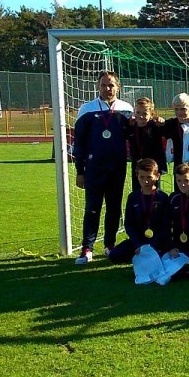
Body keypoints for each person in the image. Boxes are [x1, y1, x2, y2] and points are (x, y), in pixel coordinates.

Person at [72, 71, 135, 264]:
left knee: (114, 208)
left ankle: (109, 245)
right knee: (92, 208)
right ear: (98, 87)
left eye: (111, 85)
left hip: (117, 168)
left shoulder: (127, 109)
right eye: (104, 85)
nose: (108, 89)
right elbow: (79, 143)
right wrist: (80, 171)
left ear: (118, 87)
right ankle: (87, 248)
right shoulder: (87, 109)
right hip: (94, 168)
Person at [106, 158, 171, 265]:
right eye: (142, 177)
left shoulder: (162, 197)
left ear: (157, 176)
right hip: (139, 241)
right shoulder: (133, 197)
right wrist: (138, 244)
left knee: (158, 257)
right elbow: (129, 224)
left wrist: (153, 245)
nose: (146, 181)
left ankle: (149, 255)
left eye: (149, 177)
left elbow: (165, 225)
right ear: (137, 176)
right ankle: (139, 255)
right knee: (114, 255)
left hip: (158, 241)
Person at [126, 97, 167, 190]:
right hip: (137, 167)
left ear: (152, 114)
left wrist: (163, 121)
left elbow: (171, 126)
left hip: (152, 167)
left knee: (154, 193)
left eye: (145, 113)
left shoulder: (156, 126)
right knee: (137, 193)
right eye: (138, 112)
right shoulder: (131, 127)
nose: (140, 116)